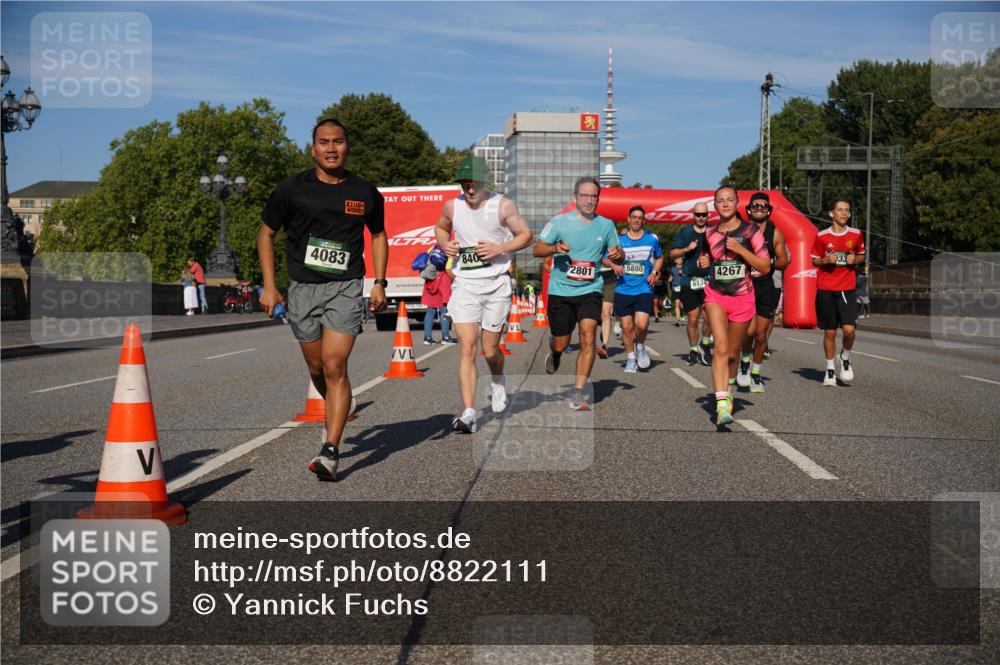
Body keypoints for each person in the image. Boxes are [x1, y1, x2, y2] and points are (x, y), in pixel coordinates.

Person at [258, 117, 388, 481]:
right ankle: (340, 402)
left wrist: (379, 282)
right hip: (302, 287)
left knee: (334, 366)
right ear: (313, 148)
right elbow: (266, 234)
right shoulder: (291, 189)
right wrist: (271, 286)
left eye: (338, 141)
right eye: (324, 142)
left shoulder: (364, 191)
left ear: (348, 146)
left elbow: (378, 235)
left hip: (346, 286)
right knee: (316, 368)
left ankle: (330, 450)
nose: (332, 148)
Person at [436, 155, 533, 434]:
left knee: (490, 350)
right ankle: (469, 413)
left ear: (484, 183)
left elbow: (526, 235)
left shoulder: (501, 205)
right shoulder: (451, 206)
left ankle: (498, 379)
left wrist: (499, 249)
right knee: (467, 345)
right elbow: (440, 228)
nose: (469, 190)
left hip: (495, 283)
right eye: (464, 184)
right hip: (465, 283)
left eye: (474, 184)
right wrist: (446, 245)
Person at [534, 177, 624, 410]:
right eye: (585, 195)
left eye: (594, 196)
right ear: (575, 198)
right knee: (562, 342)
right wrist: (554, 248)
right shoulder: (559, 222)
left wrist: (618, 256)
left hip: (590, 289)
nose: (590, 200)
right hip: (561, 291)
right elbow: (537, 249)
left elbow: (618, 252)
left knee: (587, 335)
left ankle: (577, 392)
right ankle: (556, 351)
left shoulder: (606, 225)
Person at [697, 185, 771, 426]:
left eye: (730, 200)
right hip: (716, 295)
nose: (725, 204)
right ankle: (720, 405)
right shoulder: (709, 233)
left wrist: (740, 250)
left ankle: (727, 391)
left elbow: (765, 266)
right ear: (715, 205)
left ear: (737, 202)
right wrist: (703, 261)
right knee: (720, 346)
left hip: (742, 297)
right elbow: (707, 259)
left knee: (731, 353)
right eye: (720, 201)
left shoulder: (751, 231)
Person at [736, 192, 788, 393]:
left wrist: (769, 263)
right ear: (749, 210)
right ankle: (745, 361)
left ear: (769, 210)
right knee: (748, 331)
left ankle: (756, 373)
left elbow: (784, 261)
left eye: (763, 206)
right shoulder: (741, 231)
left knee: (761, 334)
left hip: (766, 286)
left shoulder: (775, 233)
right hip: (744, 286)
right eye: (755, 206)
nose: (759, 208)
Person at [811, 197, 865, 386]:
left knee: (849, 330)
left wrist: (855, 261)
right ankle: (830, 369)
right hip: (826, 288)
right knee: (830, 333)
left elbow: (860, 255)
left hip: (847, 288)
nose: (843, 213)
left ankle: (845, 356)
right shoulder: (821, 236)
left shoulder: (856, 234)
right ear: (831, 213)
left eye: (847, 210)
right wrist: (824, 261)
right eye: (840, 209)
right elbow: (814, 260)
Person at [609, 205, 663, 373]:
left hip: (643, 289)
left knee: (641, 324)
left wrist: (654, 272)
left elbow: (660, 257)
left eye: (640, 218)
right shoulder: (619, 241)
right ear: (628, 219)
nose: (637, 220)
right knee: (626, 327)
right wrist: (613, 265)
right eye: (634, 217)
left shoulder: (651, 239)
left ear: (643, 220)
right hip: (623, 289)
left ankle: (640, 345)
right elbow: (605, 258)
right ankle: (631, 358)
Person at [669, 202, 713, 365]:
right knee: (693, 319)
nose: (701, 218)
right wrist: (687, 249)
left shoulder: (713, 231)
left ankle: (706, 345)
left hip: (710, 281)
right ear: (693, 215)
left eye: (704, 215)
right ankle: (693, 349)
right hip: (689, 281)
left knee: (709, 318)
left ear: (708, 215)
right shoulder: (686, 232)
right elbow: (672, 253)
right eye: (698, 215)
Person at [420, 245, 455, 345]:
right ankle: (446, 337)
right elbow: (448, 268)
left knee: (430, 310)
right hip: (442, 279)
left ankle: (427, 338)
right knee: (444, 309)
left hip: (430, 280)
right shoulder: (448, 248)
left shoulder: (431, 249)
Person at [670, 256, 685, 325]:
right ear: (675, 261)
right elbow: (671, 277)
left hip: (684, 287)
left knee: (682, 304)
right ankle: (678, 320)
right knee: (677, 303)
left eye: (681, 259)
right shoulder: (673, 269)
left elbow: (688, 276)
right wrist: (669, 279)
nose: (679, 260)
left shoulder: (685, 268)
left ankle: (682, 312)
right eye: (678, 259)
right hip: (675, 287)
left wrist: (683, 274)